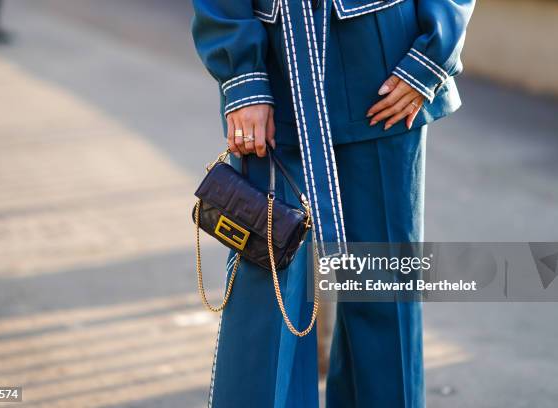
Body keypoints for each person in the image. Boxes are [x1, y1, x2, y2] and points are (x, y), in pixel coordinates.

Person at [191, 0, 475, 407]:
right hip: (273, 77)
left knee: (384, 284)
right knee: (266, 292)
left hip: (387, 70)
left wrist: (434, 50)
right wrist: (242, 75)